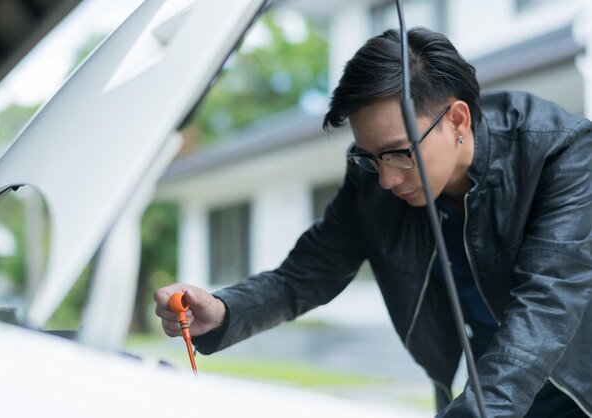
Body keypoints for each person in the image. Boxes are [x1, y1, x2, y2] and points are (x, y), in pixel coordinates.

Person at [154, 27, 592, 417]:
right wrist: (225, 310)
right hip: (493, 394)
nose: (385, 178)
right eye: (370, 155)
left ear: (456, 120)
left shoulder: (562, 152)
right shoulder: (372, 177)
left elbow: (546, 306)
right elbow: (302, 277)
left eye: (400, 152)